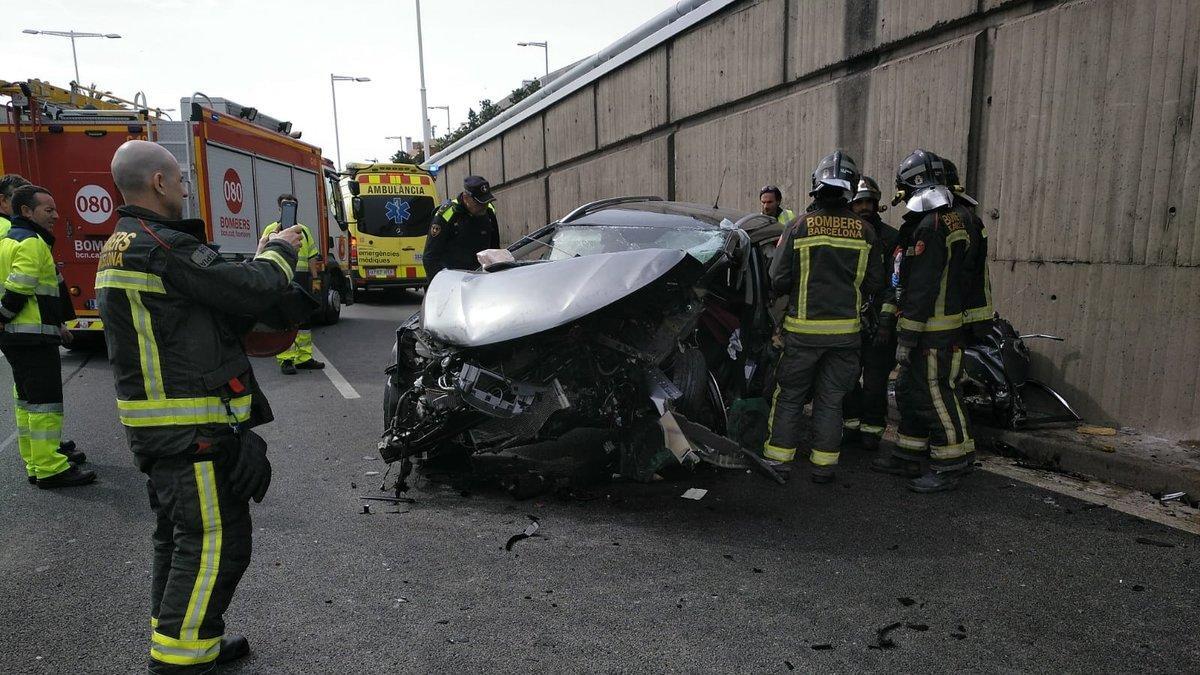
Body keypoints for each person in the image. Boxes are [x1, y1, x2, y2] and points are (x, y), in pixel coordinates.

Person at [99, 140, 302, 673]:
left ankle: (188, 640)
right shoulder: (159, 246)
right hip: (188, 429)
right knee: (216, 544)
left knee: (178, 538)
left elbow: (197, 311)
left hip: (166, 428)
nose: (187, 188)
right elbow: (254, 287)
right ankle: (181, 661)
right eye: (180, 180)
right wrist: (279, 247)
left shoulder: (124, 242)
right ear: (159, 184)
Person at [765, 150, 887, 483]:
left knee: (789, 395)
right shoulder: (866, 232)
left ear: (816, 186)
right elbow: (876, 282)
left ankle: (779, 463)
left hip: (802, 334)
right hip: (846, 336)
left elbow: (777, 278)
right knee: (831, 400)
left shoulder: (798, 226)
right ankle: (824, 466)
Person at [871, 149, 975, 493]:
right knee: (908, 389)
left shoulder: (931, 227)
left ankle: (952, 463)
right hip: (933, 327)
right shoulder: (955, 219)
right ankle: (908, 454)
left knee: (936, 394)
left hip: (934, 331)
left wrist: (906, 338)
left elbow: (920, 288)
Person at [0, 185, 94, 488]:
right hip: (32, 338)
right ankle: (50, 468)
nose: (56, 215)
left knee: (28, 402)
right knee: (45, 404)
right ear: (27, 211)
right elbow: (19, 288)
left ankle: (36, 462)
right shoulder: (31, 242)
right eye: (48, 210)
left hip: (19, 338)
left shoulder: (7, 240)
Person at [841, 176, 901, 451]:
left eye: (869, 202)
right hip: (847, 320)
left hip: (878, 321)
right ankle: (850, 426)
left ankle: (872, 431)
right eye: (859, 202)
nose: (864, 207)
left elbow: (896, 283)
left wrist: (887, 321)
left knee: (876, 382)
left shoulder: (890, 238)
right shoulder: (842, 234)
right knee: (848, 378)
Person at [260, 193, 324, 375]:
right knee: (284, 320)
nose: (290, 208)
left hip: (302, 279)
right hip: (282, 278)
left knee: (304, 321)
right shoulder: (271, 229)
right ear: (279, 208)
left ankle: (304, 358)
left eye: (293, 205)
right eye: (287, 205)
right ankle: (286, 360)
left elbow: (312, 256)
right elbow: (264, 253)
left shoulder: (304, 230)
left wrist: (316, 280)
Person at [943, 158, 994, 338]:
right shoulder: (966, 216)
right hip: (971, 313)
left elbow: (962, 270)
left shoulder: (960, 219)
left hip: (967, 316)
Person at [422, 175, 499, 279]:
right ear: (466, 198)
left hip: (481, 278)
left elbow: (495, 249)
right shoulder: (446, 214)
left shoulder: (489, 211)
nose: (483, 207)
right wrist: (441, 286)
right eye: (479, 203)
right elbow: (430, 257)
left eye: (486, 202)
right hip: (453, 279)